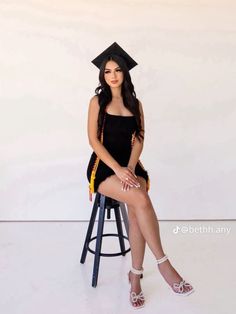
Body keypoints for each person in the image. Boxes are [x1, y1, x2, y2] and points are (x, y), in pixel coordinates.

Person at [86, 42, 194, 309]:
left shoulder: (136, 104)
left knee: (136, 207)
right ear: (102, 76)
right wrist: (119, 170)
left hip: (132, 165)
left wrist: (131, 168)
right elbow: (93, 141)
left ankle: (135, 277)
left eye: (117, 71)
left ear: (125, 73)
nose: (112, 76)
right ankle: (163, 263)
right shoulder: (97, 102)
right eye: (107, 71)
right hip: (105, 167)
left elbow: (139, 139)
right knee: (141, 199)